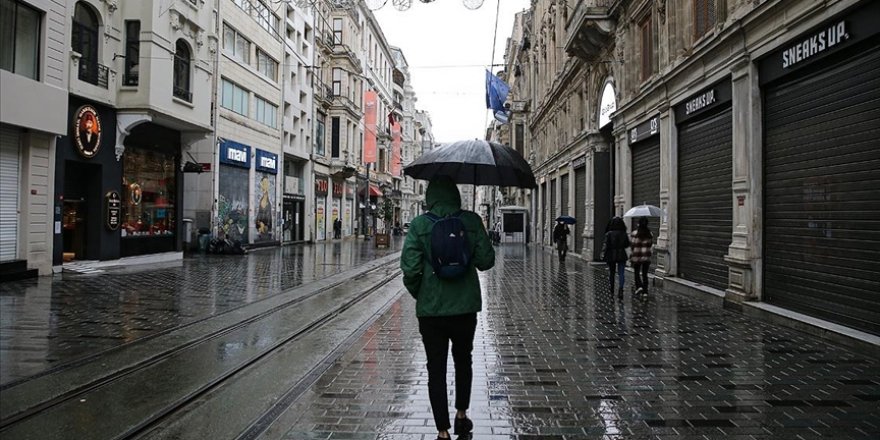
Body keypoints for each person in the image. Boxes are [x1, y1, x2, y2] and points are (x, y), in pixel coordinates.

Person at [400, 176, 495, 440]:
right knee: (464, 360)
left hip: (431, 311)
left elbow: (409, 268)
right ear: (456, 195)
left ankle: (442, 430)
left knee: (436, 368)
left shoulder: (419, 224)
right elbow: (486, 261)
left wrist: (422, 293)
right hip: (465, 307)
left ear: (430, 197)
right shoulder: (472, 221)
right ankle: (462, 415)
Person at [602, 216, 630, 298]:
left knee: (612, 272)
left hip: (611, 255)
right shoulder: (624, 234)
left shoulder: (609, 234)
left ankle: (611, 288)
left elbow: (605, 245)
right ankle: (621, 289)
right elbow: (627, 244)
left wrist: (603, 253)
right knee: (621, 273)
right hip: (622, 254)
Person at [630, 217, 654, 298]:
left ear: (639, 224)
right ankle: (645, 291)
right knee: (645, 274)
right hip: (646, 257)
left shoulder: (634, 233)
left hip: (636, 256)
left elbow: (632, 244)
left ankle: (639, 286)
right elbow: (650, 244)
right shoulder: (650, 234)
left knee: (636, 272)